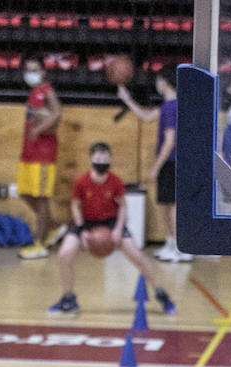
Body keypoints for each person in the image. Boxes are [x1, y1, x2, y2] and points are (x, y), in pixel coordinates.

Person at [48, 141, 175, 316]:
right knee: (64, 254)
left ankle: (161, 294)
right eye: (98, 157)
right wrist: (82, 229)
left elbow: (123, 206)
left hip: (111, 222)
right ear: (91, 158)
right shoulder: (81, 181)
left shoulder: (115, 181)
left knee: (138, 257)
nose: (102, 160)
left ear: (110, 159)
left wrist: (117, 230)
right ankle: (68, 298)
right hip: (86, 223)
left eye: (105, 157)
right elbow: (75, 206)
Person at [116, 66, 192, 263]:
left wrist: (155, 167)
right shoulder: (173, 105)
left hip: (172, 162)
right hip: (174, 163)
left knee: (173, 206)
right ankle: (170, 243)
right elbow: (147, 117)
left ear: (165, 81)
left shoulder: (170, 107)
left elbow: (170, 141)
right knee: (167, 205)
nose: (157, 84)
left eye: (159, 80)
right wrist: (127, 100)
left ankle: (181, 248)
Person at [16, 54, 64, 262]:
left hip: (43, 153)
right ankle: (52, 227)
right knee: (25, 193)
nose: (31, 74)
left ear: (43, 72)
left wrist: (40, 128)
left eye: (35, 70)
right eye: (28, 70)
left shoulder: (47, 90)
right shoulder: (34, 92)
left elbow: (57, 113)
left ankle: (39, 243)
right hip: (29, 151)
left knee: (41, 197)